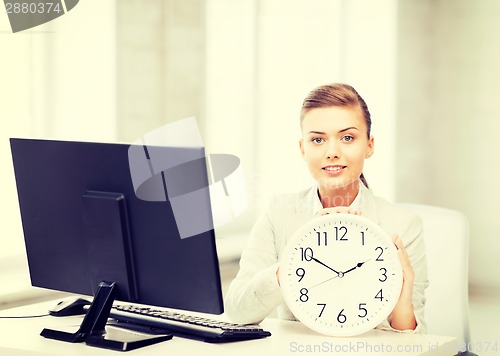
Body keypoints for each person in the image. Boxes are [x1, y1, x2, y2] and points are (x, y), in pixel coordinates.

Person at [224, 83, 428, 333]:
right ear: (303, 148)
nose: (332, 152)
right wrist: (293, 258)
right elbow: (237, 311)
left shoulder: (403, 225)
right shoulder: (279, 215)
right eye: (318, 139)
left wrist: (403, 302)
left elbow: (414, 339)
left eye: (347, 138)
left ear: (369, 145)